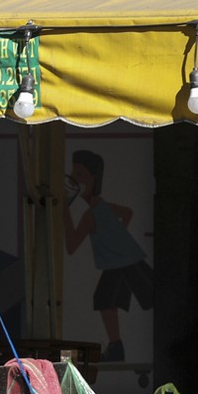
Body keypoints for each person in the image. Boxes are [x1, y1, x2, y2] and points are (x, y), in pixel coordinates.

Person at [65, 149, 154, 364]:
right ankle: (116, 350)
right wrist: (117, 237)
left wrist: (64, 210)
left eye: (80, 175)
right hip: (121, 263)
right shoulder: (101, 207)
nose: (74, 179)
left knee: (146, 295)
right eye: (73, 174)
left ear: (93, 179)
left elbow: (71, 245)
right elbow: (127, 213)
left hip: (125, 263)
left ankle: (117, 350)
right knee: (107, 299)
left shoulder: (91, 215)